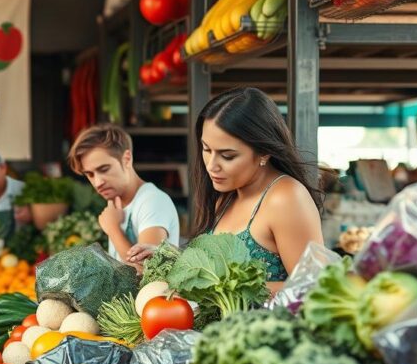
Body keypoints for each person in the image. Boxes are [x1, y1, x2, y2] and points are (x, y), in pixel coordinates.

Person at [130, 87, 323, 290]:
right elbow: (222, 272)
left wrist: (226, 289)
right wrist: (171, 258)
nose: (212, 165)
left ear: (264, 152)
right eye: (206, 149)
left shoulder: (286, 197)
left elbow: (313, 288)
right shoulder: (227, 196)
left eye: (227, 156)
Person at [67, 123, 180, 268]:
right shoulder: (118, 205)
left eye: (104, 169)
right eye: (90, 174)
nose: (98, 182)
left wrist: (113, 229)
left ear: (126, 159)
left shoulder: (152, 201)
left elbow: (150, 272)